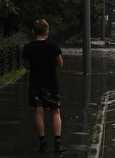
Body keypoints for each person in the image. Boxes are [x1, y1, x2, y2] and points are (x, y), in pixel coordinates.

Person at [22, 19, 65, 153]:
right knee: (55, 112)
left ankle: (43, 144)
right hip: (51, 84)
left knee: (38, 113)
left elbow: (27, 67)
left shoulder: (28, 47)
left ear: (33, 32)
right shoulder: (53, 46)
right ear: (47, 31)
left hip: (35, 84)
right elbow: (60, 64)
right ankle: (57, 144)